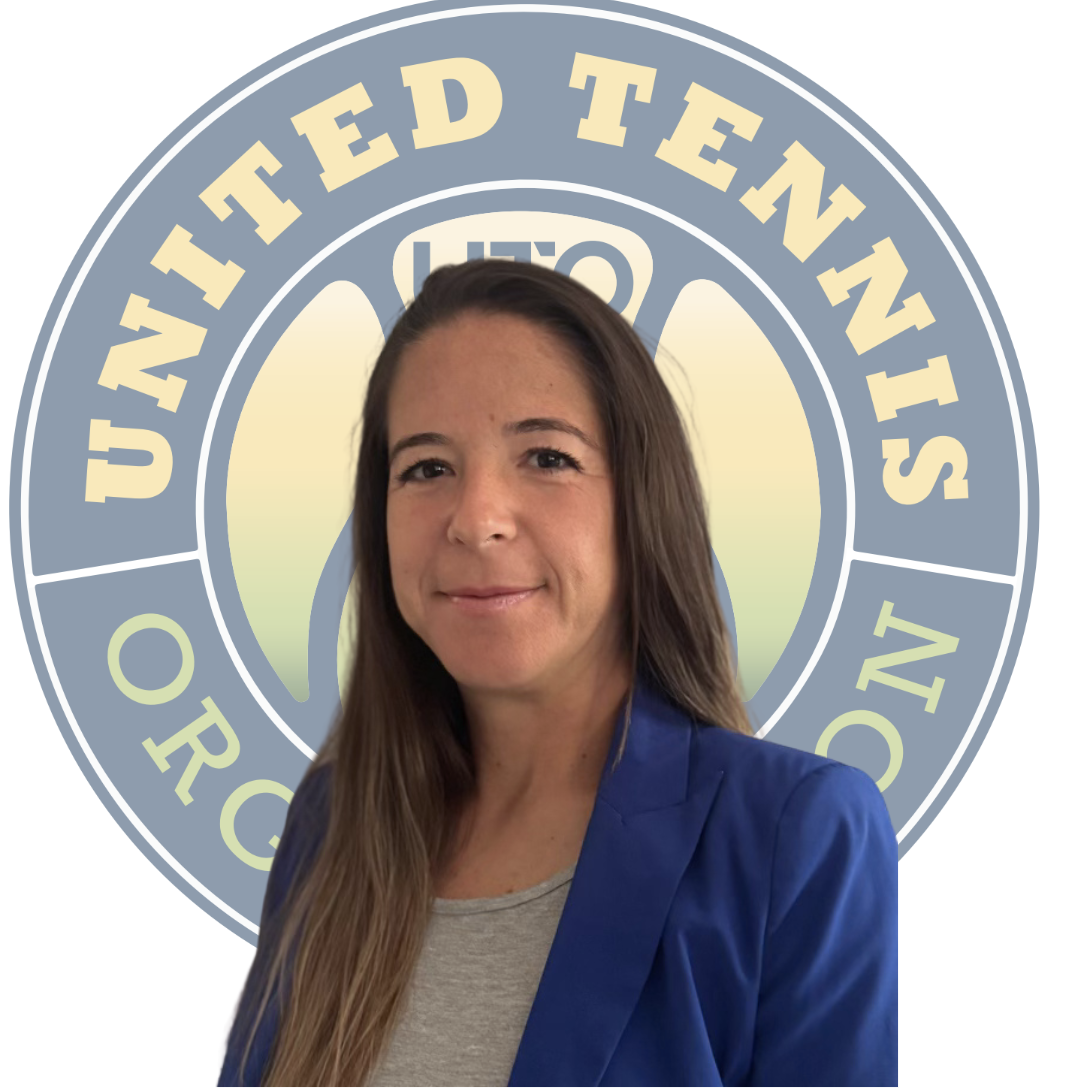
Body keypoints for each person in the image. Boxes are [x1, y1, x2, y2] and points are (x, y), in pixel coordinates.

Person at [218, 258, 897, 1087]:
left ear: (641, 502)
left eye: (546, 457)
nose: (476, 520)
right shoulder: (332, 822)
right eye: (427, 468)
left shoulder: (794, 832)